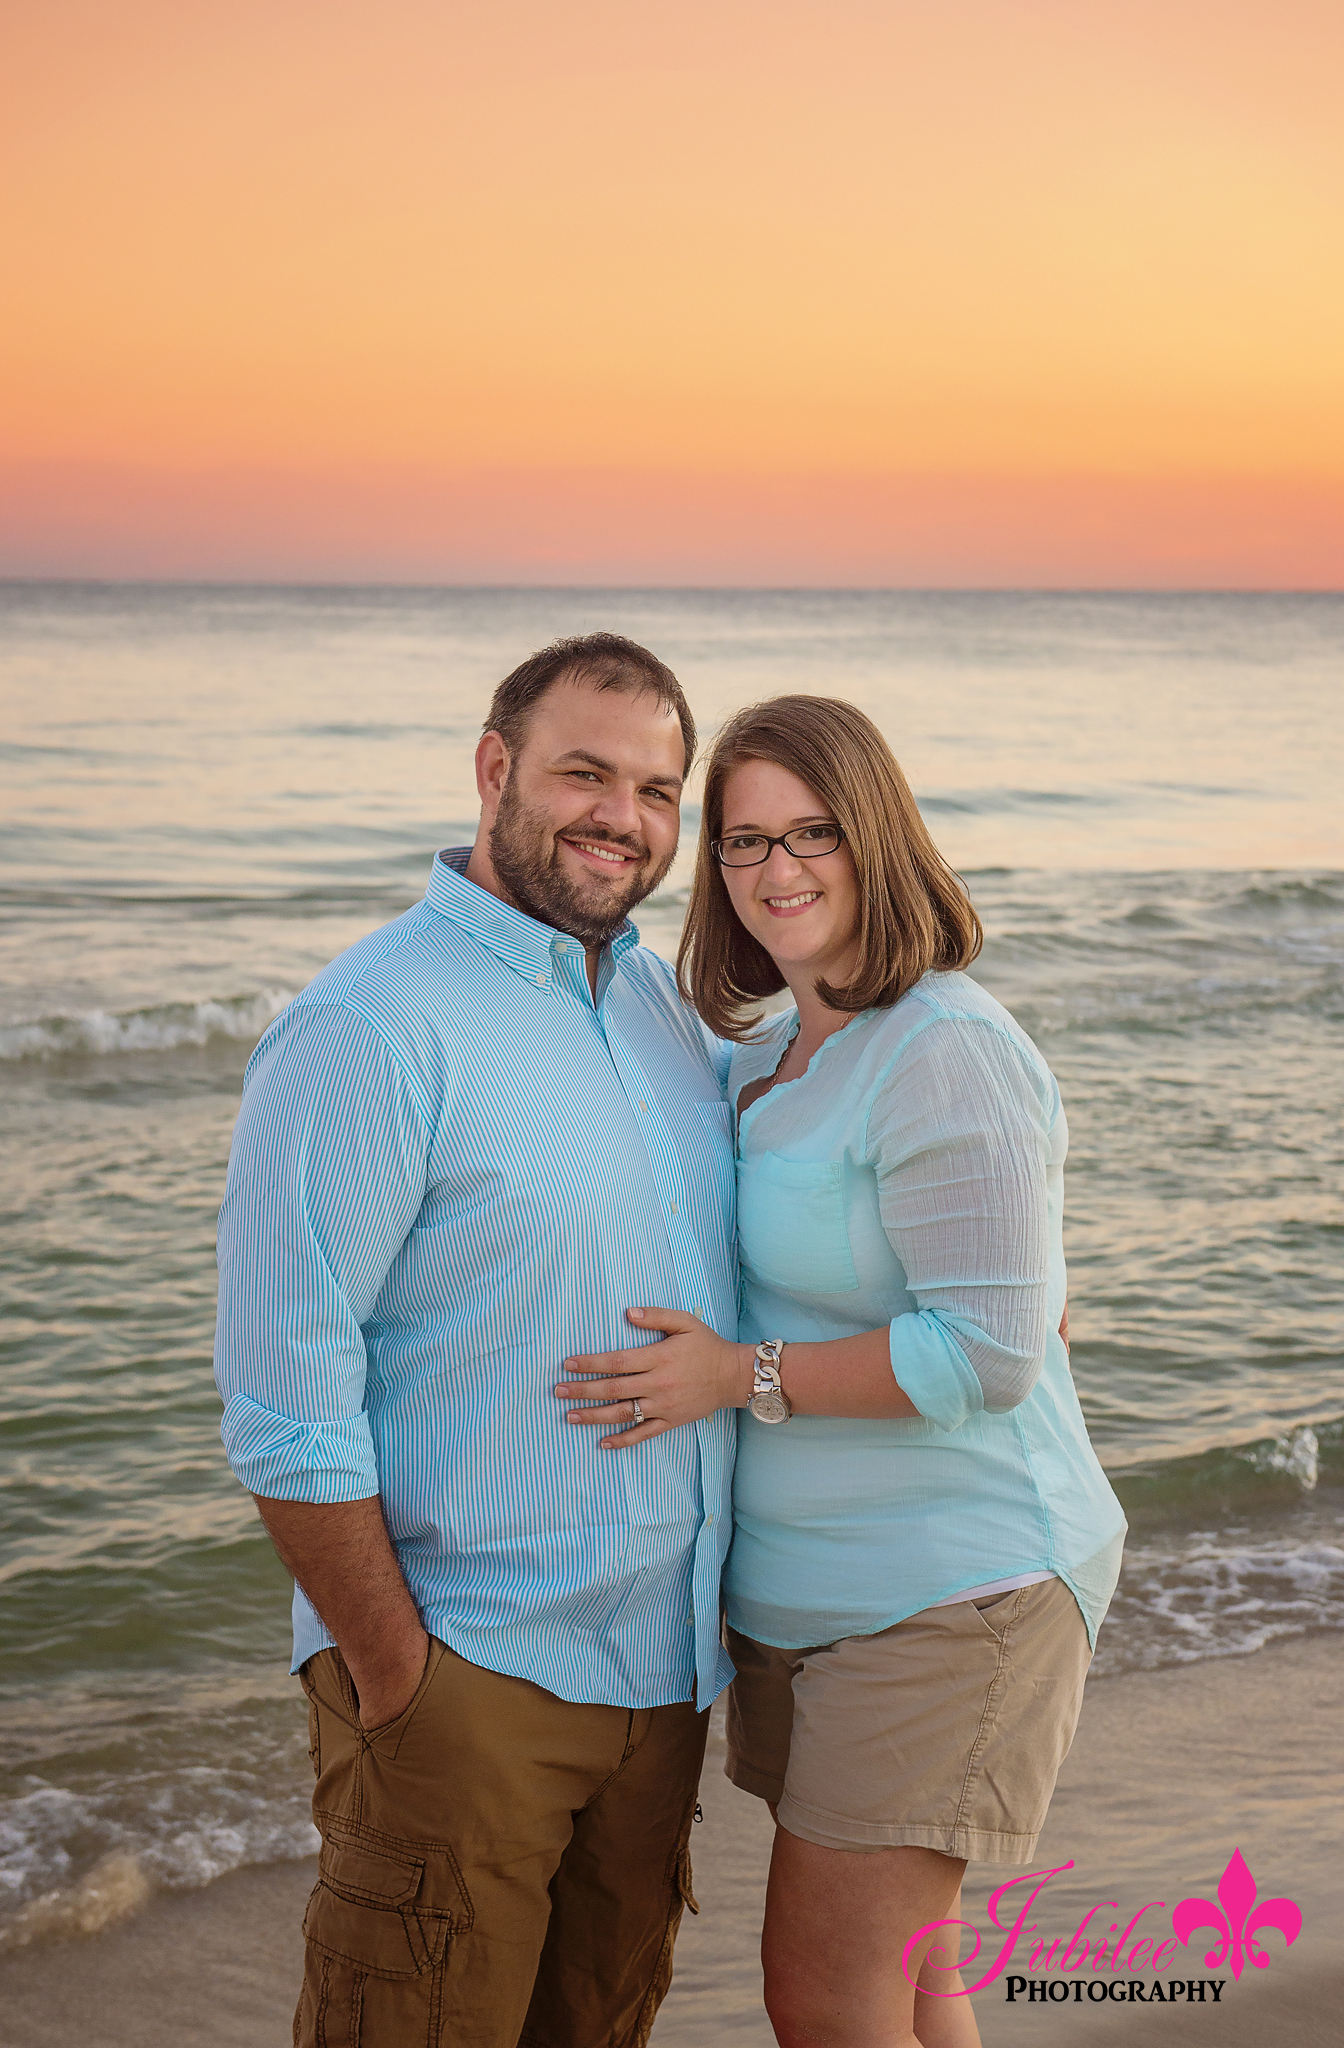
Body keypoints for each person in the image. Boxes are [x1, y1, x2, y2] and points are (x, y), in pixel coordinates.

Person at [557, 694, 1127, 2048]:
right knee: (911, 1985)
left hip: (951, 1589)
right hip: (813, 1597)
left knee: (826, 1998)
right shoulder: (770, 1055)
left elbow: (985, 1357)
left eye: (814, 832)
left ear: (878, 839)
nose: (778, 870)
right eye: (743, 841)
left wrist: (736, 1379)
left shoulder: (947, 1045)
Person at [214, 634, 740, 2048]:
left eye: (656, 788)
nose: (620, 818)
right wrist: (402, 1680)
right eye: (584, 772)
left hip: (663, 1683)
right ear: (495, 770)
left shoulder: (657, 1007)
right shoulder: (370, 1027)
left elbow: (820, 1170)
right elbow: (285, 1400)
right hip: (471, 1684)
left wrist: (989, 1270)